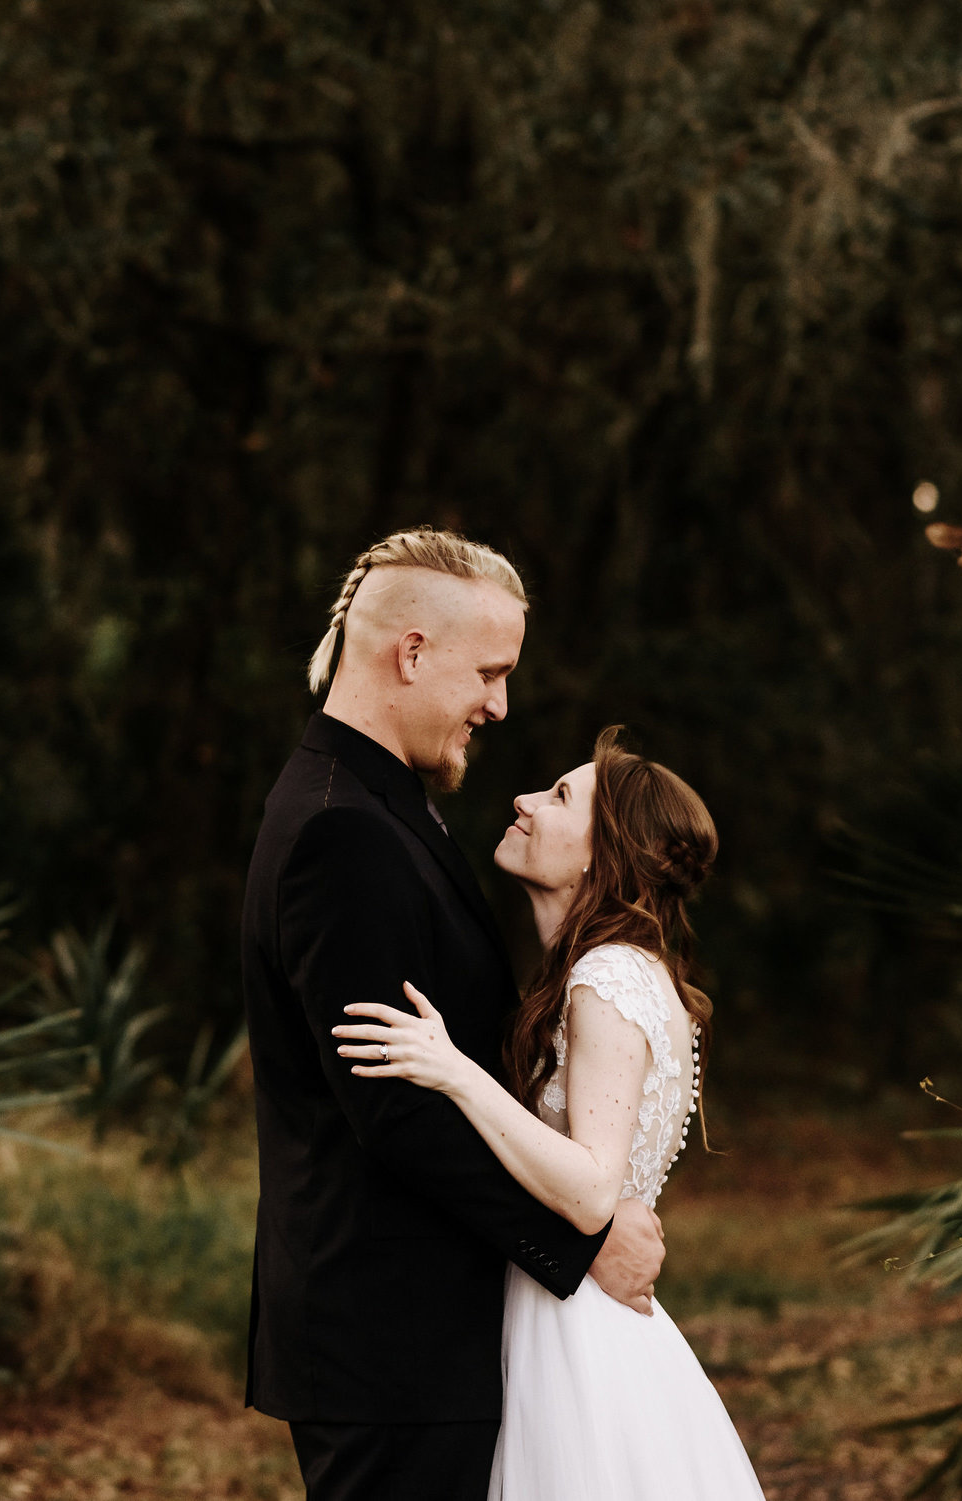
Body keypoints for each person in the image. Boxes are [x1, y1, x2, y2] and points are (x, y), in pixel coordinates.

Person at [241, 527, 669, 1501]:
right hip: (389, 1340)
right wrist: (582, 1239)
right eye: (489, 670)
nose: (499, 704)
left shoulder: (383, 804)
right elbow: (396, 1110)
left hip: (420, 1334)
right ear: (411, 653)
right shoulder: (341, 830)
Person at [332, 726, 763, 1500]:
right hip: (570, 1311)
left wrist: (456, 1071)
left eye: (560, 795)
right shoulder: (608, 971)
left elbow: (596, 1190)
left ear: (604, 855)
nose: (525, 799)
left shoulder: (606, 978)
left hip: (576, 1336)